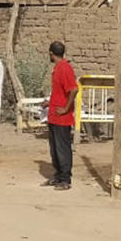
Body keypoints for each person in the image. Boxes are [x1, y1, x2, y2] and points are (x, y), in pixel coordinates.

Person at [44, 41, 78, 190]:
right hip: (53, 116)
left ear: (51, 53)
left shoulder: (65, 68)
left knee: (62, 148)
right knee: (54, 149)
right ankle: (58, 176)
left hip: (62, 118)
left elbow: (74, 90)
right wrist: (49, 103)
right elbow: (60, 92)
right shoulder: (58, 68)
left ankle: (65, 179)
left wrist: (65, 108)